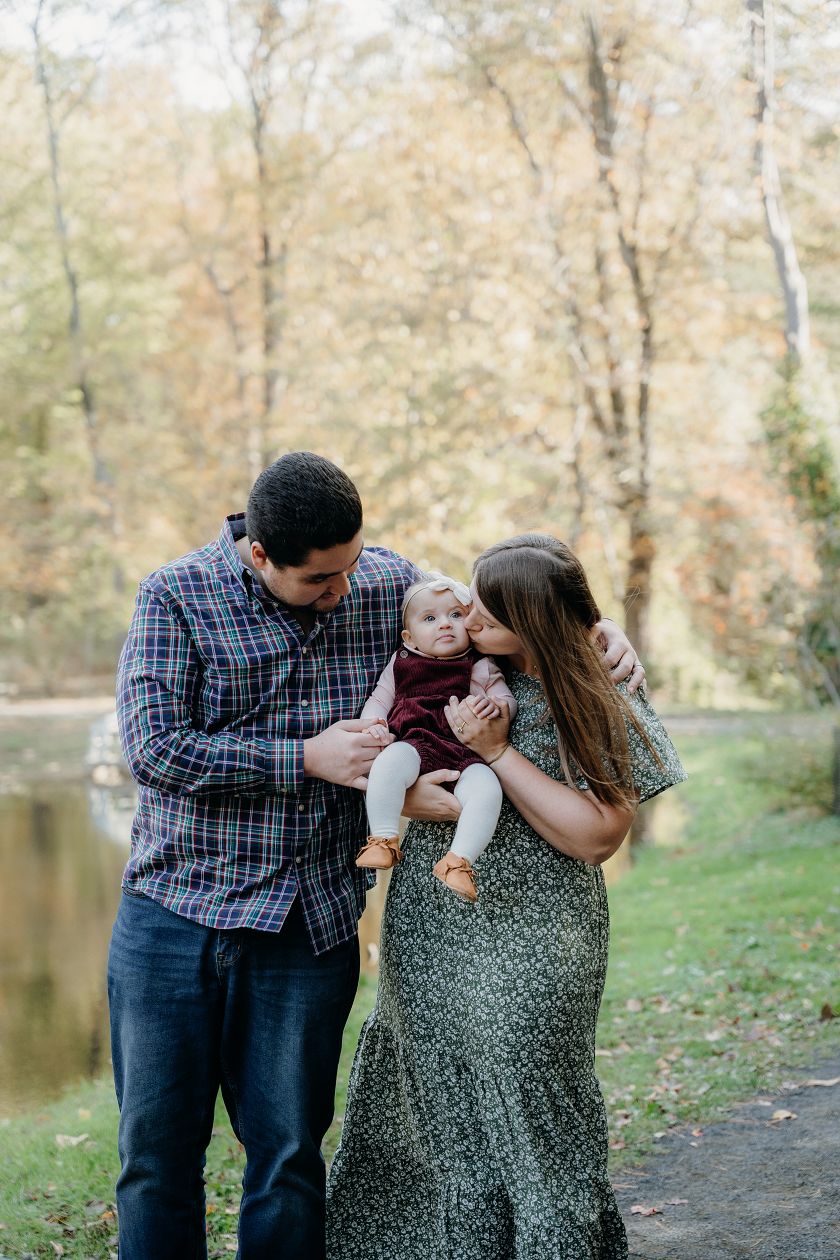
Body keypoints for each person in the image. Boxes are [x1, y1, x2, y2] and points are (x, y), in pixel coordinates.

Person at [109, 452, 644, 1260]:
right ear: (261, 555)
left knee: (289, 1157)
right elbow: (154, 750)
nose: (344, 590)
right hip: (174, 914)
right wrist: (304, 758)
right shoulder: (174, 596)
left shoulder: (386, 581)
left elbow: (500, 610)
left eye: (352, 567)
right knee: (156, 1161)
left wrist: (597, 631)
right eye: (321, 580)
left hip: (308, 919)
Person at [326, 533, 687, 1260]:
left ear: (533, 621)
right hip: (433, 921)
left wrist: (496, 753)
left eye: (484, 613)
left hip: (541, 926)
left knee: (528, 1089)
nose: (464, 616)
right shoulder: (454, 666)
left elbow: (597, 837)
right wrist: (403, 792)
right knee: (433, 1099)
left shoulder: (595, 687)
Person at [355, 572, 518, 902]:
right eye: (430, 618)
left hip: (464, 755)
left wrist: (496, 706)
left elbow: (507, 700)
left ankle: (459, 861)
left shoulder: (480, 665)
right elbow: (379, 698)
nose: (445, 624)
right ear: (410, 638)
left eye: (456, 615)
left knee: (488, 789)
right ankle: (383, 838)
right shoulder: (402, 662)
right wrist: (373, 723)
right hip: (413, 744)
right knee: (388, 764)